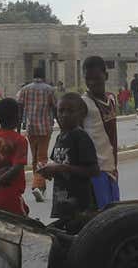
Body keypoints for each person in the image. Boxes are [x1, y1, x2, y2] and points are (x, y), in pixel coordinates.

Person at [38, 93, 100, 225]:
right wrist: (48, 171)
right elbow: (57, 164)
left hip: (80, 206)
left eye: (70, 111)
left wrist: (62, 168)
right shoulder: (60, 137)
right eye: (61, 111)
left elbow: (93, 170)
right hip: (63, 203)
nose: (65, 115)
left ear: (81, 115)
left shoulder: (80, 137)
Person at [80, 55, 120, 209]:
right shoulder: (83, 103)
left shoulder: (111, 99)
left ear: (106, 76)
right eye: (88, 79)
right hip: (96, 170)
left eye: (96, 78)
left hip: (111, 167)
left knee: (114, 212)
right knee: (103, 216)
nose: (92, 83)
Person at [17, 68, 57, 203]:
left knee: (35, 158)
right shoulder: (49, 90)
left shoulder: (25, 89)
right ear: (43, 76)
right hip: (45, 128)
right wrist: (60, 123)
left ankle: (41, 186)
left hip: (31, 128)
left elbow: (20, 107)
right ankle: (37, 185)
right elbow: (55, 107)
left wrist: (18, 127)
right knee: (42, 157)